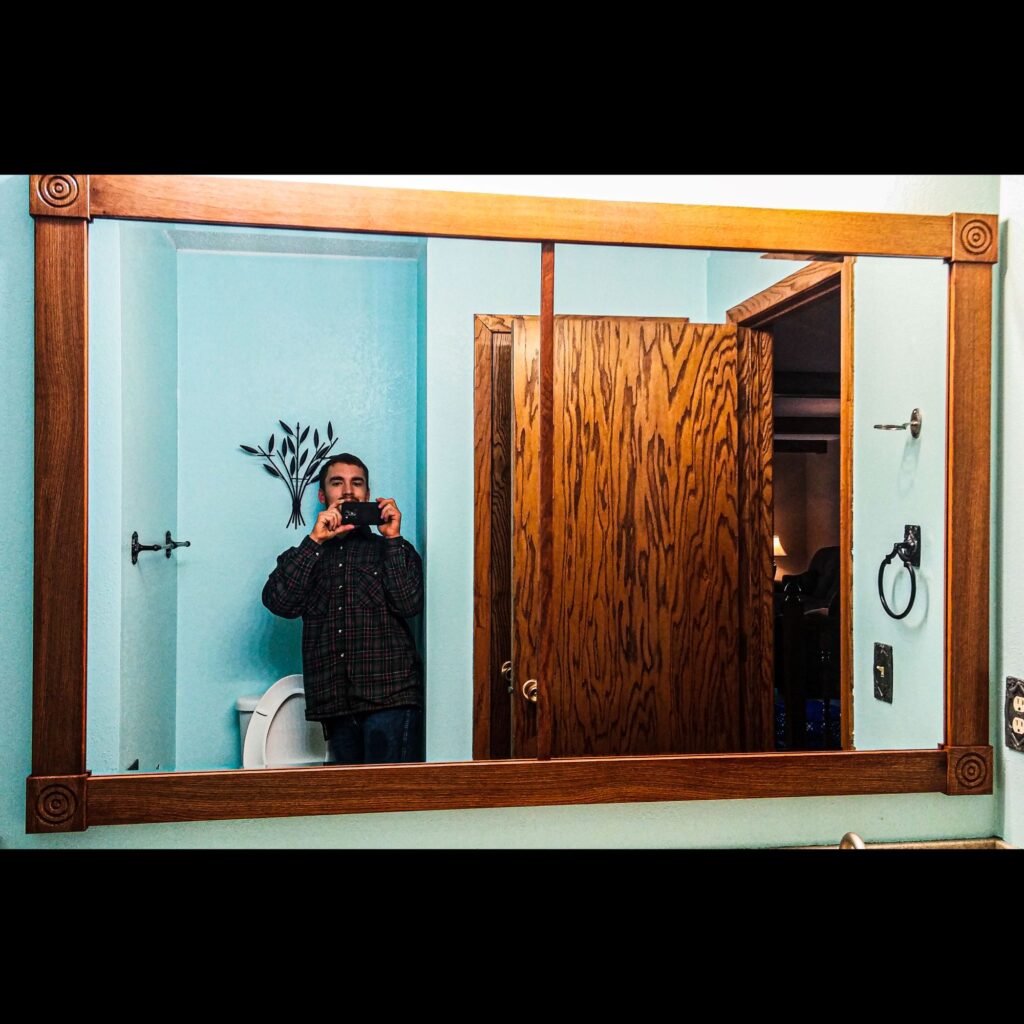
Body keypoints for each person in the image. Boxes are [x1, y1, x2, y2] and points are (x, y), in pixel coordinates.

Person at [262, 453, 424, 765]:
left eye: (357, 483)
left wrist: (392, 538)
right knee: (344, 796)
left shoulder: (393, 549)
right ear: (323, 496)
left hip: (390, 699)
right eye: (337, 483)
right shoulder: (305, 555)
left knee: (389, 794)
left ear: (367, 493)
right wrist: (314, 540)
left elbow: (409, 604)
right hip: (334, 705)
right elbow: (279, 603)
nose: (348, 491)